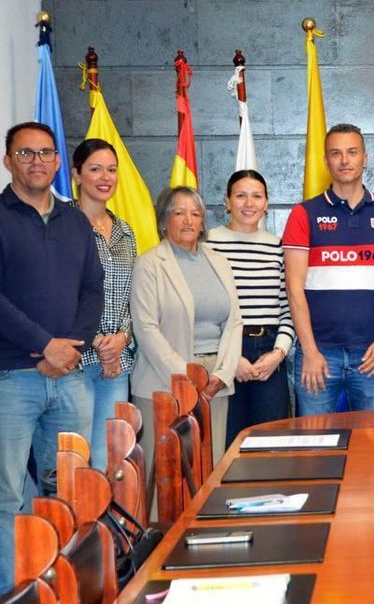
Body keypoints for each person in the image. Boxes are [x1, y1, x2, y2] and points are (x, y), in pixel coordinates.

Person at [0, 121, 103, 599]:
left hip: (70, 379)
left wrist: (69, 348)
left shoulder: (75, 221)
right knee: (4, 497)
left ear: (59, 162)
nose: (37, 161)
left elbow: (93, 291)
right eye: (25, 154)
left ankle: (60, 588)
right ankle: (6, 593)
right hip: (7, 381)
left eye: (45, 153)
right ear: (8, 161)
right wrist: (46, 344)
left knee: (66, 493)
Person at [283, 124, 374, 415]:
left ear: (365, 157)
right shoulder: (303, 214)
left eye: (352, 152)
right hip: (318, 355)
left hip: (372, 354)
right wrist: (310, 350)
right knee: (315, 448)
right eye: (335, 153)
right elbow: (294, 288)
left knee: (373, 449)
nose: (344, 160)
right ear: (325, 160)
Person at [130, 186, 242, 478]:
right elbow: (146, 328)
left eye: (195, 214)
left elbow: (234, 322)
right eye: (178, 213)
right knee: (166, 475)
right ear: (164, 220)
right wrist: (186, 377)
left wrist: (223, 373)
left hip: (214, 382)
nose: (188, 220)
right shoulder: (149, 264)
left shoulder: (218, 260)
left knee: (209, 468)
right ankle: (164, 527)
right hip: (164, 381)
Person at [206, 170, 296, 445]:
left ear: (267, 203)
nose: (249, 203)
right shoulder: (207, 243)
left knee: (273, 444)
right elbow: (204, 309)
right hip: (225, 353)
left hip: (269, 355)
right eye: (240, 196)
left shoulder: (277, 247)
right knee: (227, 444)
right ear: (227, 201)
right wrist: (231, 359)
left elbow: (288, 307)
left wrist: (279, 353)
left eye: (257, 196)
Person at [70, 138, 137, 472]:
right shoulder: (62, 226)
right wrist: (97, 340)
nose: (104, 177)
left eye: (111, 169)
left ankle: (106, 526)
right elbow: (61, 291)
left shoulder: (126, 231)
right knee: (76, 460)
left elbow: (131, 294)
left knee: (112, 459)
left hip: (118, 361)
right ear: (77, 174)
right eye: (95, 169)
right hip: (77, 359)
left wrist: (122, 337)